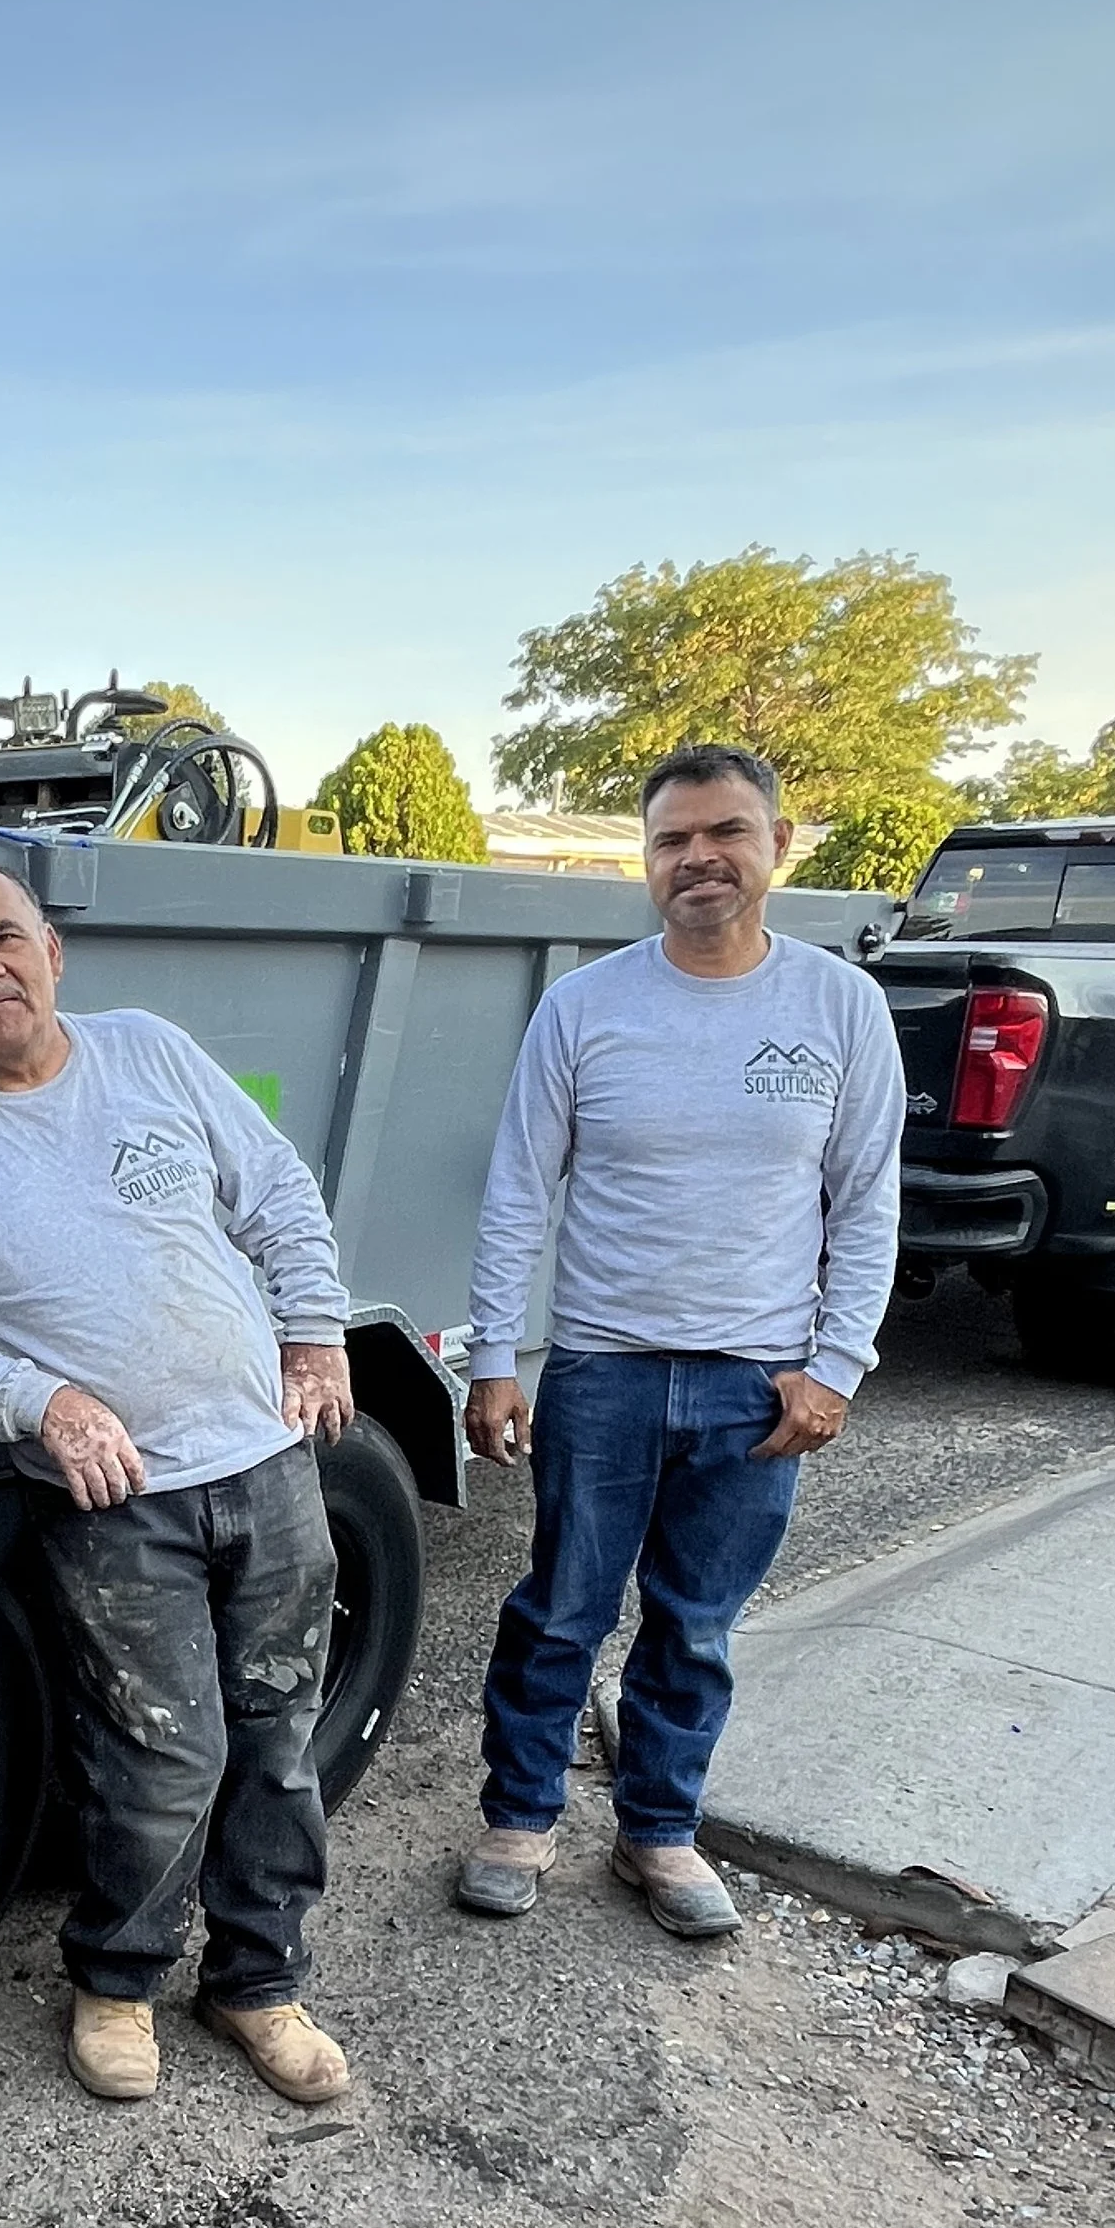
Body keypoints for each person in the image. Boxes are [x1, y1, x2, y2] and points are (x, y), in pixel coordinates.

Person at [0, 857, 356, 2106]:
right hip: (112, 1503)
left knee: (279, 1742)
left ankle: (258, 1984)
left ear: (52, 952)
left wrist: (316, 1329)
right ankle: (118, 1981)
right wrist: (46, 1401)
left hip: (266, 1461)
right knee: (161, 1760)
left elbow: (276, 1190)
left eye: (3, 939)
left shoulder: (148, 1053)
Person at [455, 743, 903, 1935]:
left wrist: (835, 1366)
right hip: (601, 1372)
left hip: (757, 1385)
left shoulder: (838, 1007)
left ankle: (658, 1834)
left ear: (777, 844)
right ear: (646, 862)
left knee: (696, 1625)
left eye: (725, 833)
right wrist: (494, 1357)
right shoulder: (587, 1007)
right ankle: (519, 1816)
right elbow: (517, 1189)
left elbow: (864, 1199)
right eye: (670, 841)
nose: (698, 859)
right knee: (559, 1609)